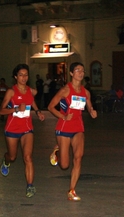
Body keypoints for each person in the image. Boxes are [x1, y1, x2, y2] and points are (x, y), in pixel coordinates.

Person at [48, 62, 97, 201]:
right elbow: (51, 106)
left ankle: (71, 190)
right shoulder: (65, 90)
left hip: (78, 128)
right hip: (64, 127)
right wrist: (63, 116)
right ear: (71, 73)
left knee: (78, 157)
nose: (81, 73)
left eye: (82, 70)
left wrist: (92, 112)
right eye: (77, 70)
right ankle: (57, 150)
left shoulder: (86, 92)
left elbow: (89, 107)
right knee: (64, 165)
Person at [0, 64, 45, 198]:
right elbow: (1, 111)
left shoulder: (30, 91)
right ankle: (6, 160)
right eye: (21, 75)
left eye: (26, 75)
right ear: (15, 77)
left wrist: (38, 112)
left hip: (27, 129)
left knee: (28, 157)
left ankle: (30, 186)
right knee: (12, 156)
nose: (24, 77)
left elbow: (31, 101)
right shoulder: (11, 92)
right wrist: (16, 109)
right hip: (12, 129)